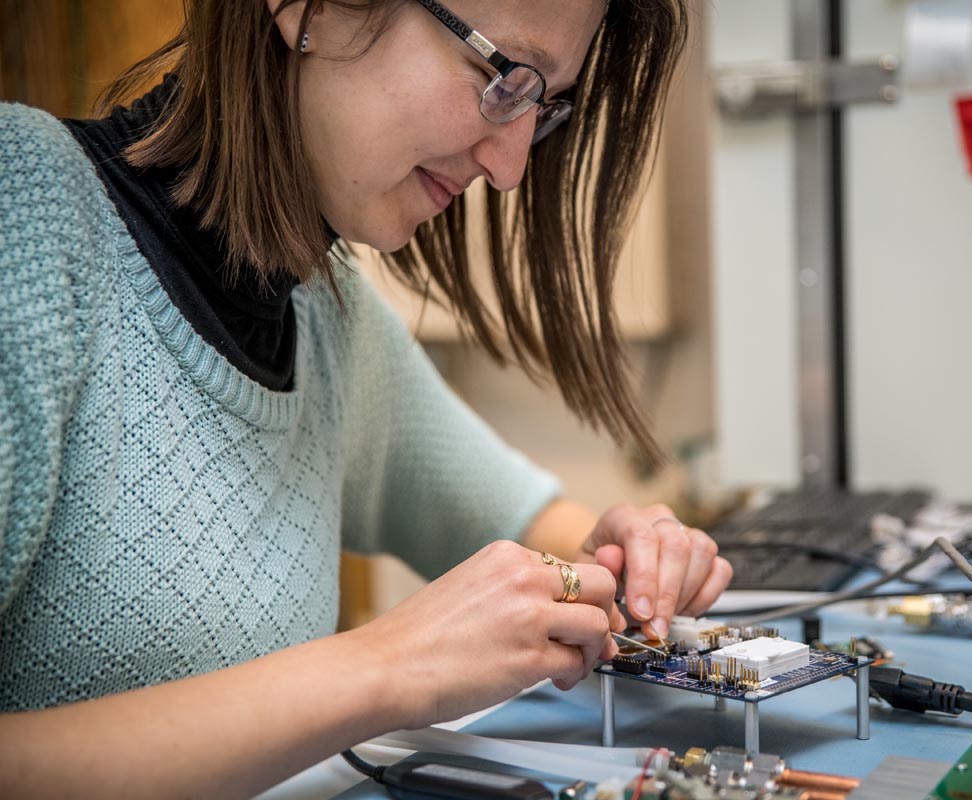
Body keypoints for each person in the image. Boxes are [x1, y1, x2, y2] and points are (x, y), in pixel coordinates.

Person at [0, 0, 732, 796]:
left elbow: (545, 539)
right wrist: (387, 668)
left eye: (543, 104)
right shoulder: (24, 212)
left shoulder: (327, 314)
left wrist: (634, 554)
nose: (511, 167)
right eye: (501, 77)